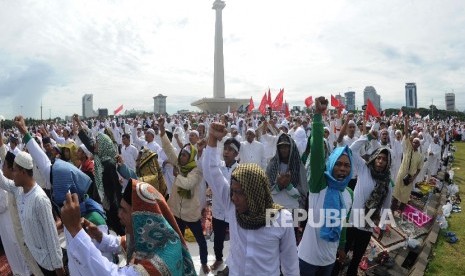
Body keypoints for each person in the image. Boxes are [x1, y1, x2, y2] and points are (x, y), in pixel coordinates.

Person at [202, 122, 300, 275]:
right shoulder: (233, 207)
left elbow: (291, 266)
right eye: (232, 192)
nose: (233, 198)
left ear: (255, 192)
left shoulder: (282, 219)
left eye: (239, 192)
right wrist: (212, 139)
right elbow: (211, 171)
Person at [61, 180, 196, 275]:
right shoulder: (151, 237)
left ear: (141, 218)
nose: (119, 215)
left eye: (124, 210)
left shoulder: (163, 262)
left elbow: (112, 274)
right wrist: (99, 236)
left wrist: (77, 232)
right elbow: (120, 242)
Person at [0, 117, 64, 276]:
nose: (11, 174)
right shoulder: (19, 191)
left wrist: (59, 269)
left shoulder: (39, 199)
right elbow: (3, 181)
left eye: (13, 170)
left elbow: (51, 237)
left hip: (49, 266)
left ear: (22, 172)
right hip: (36, 259)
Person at [298, 97, 353, 276]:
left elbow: (343, 224)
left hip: (329, 260)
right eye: (338, 163)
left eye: (346, 165)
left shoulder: (349, 194)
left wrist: (342, 246)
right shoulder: (319, 185)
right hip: (307, 258)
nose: (342, 168)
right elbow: (316, 154)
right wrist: (317, 117)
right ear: (330, 164)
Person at [158, 117, 210, 274]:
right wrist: (161, 129)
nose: (181, 157)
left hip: (190, 213)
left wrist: (177, 175)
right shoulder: (179, 164)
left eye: (185, 156)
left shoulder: (196, 171)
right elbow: (168, 149)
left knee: (201, 241)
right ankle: (178, 264)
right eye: (181, 155)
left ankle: (204, 263)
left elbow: (187, 184)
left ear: (191, 156)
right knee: (176, 241)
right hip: (176, 211)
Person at [345, 130, 393, 276]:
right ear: (374, 158)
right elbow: (351, 150)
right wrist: (367, 137)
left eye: (384, 159)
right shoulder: (364, 168)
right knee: (342, 251)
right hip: (352, 221)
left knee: (357, 257)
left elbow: (386, 205)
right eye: (378, 158)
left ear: (387, 162)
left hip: (367, 225)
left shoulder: (387, 183)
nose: (380, 161)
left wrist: (383, 226)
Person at [209, 137, 240, 272]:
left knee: (235, 237)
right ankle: (219, 259)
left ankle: (233, 261)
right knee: (218, 237)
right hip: (218, 209)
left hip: (233, 210)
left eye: (230, 150)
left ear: (236, 154)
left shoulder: (239, 169)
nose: (226, 152)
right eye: (225, 149)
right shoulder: (218, 167)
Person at [392, 116, 424, 212]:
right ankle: (392, 211)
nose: (414, 144)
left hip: (409, 178)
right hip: (401, 174)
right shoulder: (408, 149)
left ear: (418, 145)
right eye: (413, 142)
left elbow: (419, 169)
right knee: (396, 193)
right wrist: (406, 122)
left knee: (405, 197)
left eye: (416, 143)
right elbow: (406, 133)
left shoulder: (420, 156)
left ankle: (400, 212)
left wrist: (413, 178)